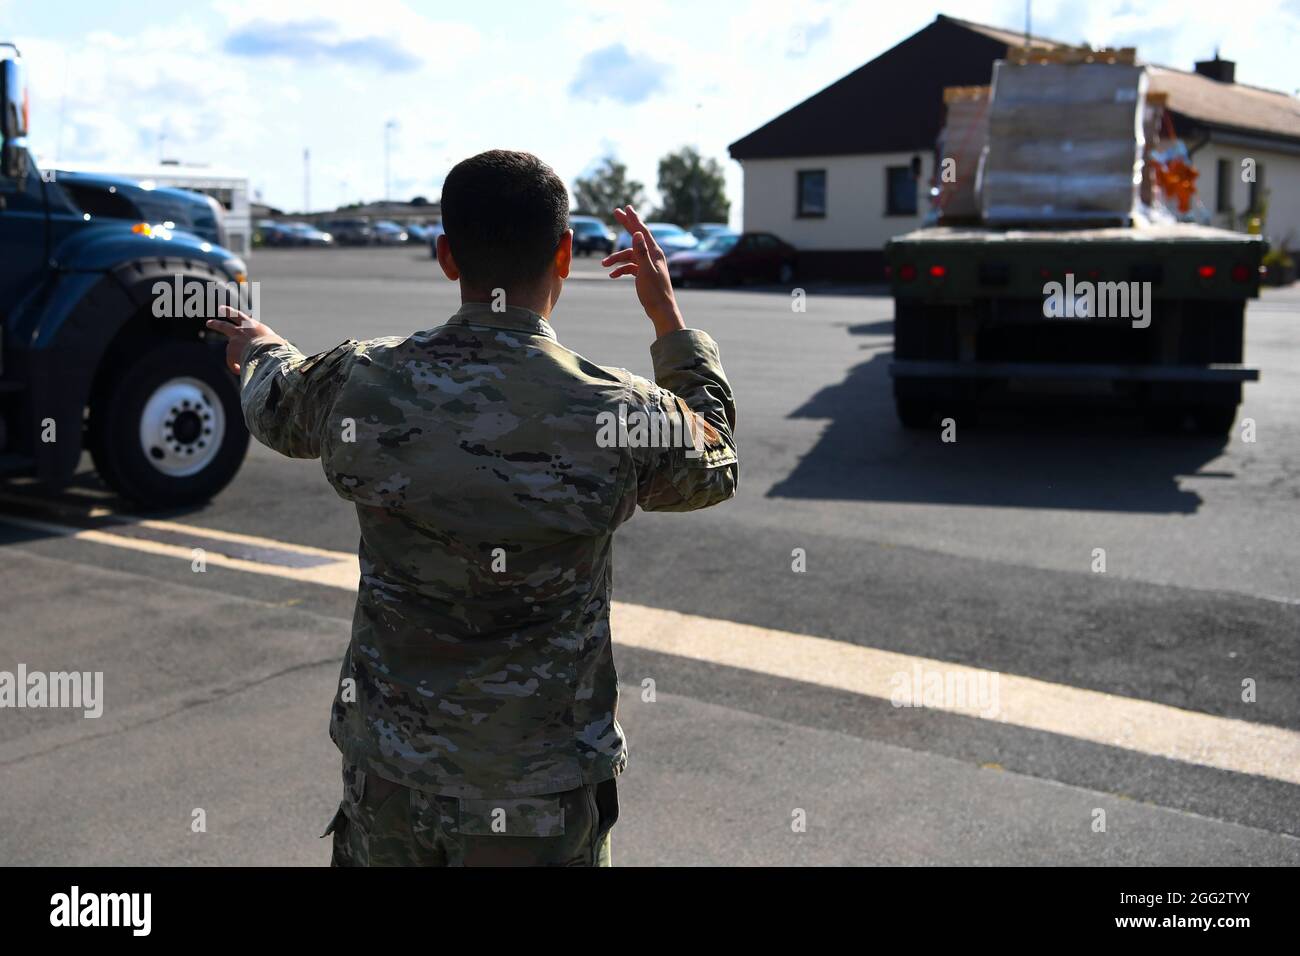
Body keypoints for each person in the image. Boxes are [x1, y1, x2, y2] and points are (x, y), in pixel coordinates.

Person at [206, 149, 738, 866]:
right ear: (566, 254)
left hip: (392, 781)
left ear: (447, 256)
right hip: (537, 793)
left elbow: (280, 401)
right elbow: (717, 460)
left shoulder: (364, 380)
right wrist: (667, 316)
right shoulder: (617, 409)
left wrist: (264, 346)